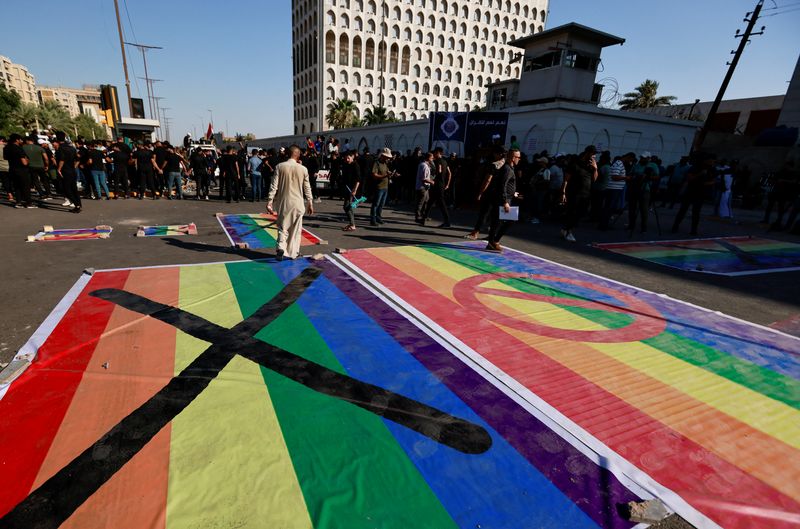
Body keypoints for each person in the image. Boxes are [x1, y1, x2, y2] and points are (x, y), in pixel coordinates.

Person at [266, 145, 314, 260]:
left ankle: (281, 247)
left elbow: (274, 186)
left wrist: (270, 201)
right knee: (296, 230)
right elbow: (307, 187)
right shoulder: (303, 169)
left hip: (283, 202)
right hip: (298, 203)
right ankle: (293, 253)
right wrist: (310, 202)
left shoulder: (279, 167)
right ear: (298, 155)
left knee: (283, 227)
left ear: (288, 154)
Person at [465, 145, 506, 239]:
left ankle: (475, 232)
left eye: (495, 153)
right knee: (495, 215)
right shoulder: (506, 165)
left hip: (491, 192)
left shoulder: (494, 165)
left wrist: (480, 192)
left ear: (499, 154)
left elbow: (487, 180)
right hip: (501, 193)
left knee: (484, 213)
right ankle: (492, 234)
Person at [671, 152, 717, 236]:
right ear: (707, 160)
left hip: (700, 193)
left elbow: (713, 181)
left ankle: (693, 230)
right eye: (711, 160)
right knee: (683, 210)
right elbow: (689, 178)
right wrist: (700, 174)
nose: (712, 162)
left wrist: (704, 184)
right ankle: (675, 226)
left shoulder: (712, 169)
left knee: (696, 212)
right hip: (691, 191)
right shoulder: (696, 167)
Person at [560, 145, 598, 242]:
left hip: (586, 194)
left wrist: (595, 168)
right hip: (574, 193)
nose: (594, 157)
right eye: (593, 154)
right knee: (572, 212)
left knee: (581, 213)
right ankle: (568, 231)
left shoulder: (591, 166)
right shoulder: (575, 163)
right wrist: (563, 192)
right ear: (588, 153)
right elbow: (566, 179)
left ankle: (565, 229)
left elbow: (594, 179)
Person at [486, 148, 521, 252]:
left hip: (505, 198)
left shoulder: (509, 168)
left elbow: (506, 185)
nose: (519, 159)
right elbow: (502, 185)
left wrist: (513, 193)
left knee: (497, 221)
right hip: (502, 200)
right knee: (506, 221)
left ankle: (492, 242)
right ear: (513, 158)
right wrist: (505, 201)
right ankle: (494, 241)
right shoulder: (507, 169)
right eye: (518, 157)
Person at [626, 152, 660, 235]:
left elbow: (657, 177)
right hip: (635, 188)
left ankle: (643, 227)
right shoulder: (637, 165)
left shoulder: (652, 165)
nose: (642, 159)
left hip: (645, 189)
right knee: (632, 208)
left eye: (644, 158)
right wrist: (635, 177)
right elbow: (630, 174)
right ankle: (631, 225)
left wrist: (648, 177)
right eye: (641, 157)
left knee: (643, 209)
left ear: (649, 158)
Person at [422, 147, 452, 227]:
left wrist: (434, 177)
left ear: (439, 153)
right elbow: (449, 173)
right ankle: (423, 218)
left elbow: (439, 171)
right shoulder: (445, 161)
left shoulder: (437, 161)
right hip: (441, 185)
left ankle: (447, 221)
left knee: (440, 204)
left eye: (435, 152)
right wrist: (447, 184)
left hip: (437, 184)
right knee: (430, 202)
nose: (434, 154)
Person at [53, 132, 81, 212]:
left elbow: (62, 159)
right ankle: (78, 204)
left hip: (64, 171)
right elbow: (78, 159)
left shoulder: (60, 148)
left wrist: (59, 169)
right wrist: (74, 167)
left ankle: (77, 205)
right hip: (72, 170)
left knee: (66, 189)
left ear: (57, 139)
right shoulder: (72, 148)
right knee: (74, 188)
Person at [4, 134, 34, 208]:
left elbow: (5, 158)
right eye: (20, 139)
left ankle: (18, 202)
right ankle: (29, 203)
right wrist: (27, 161)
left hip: (12, 169)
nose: (21, 141)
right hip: (21, 169)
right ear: (17, 140)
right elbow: (24, 162)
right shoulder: (19, 148)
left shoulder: (6, 148)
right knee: (25, 186)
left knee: (17, 186)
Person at [370, 147, 394, 226]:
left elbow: (387, 172)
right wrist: (385, 175)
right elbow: (374, 175)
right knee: (376, 204)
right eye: (387, 157)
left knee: (381, 204)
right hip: (379, 187)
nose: (388, 159)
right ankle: (373, 219)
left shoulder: (385, 164)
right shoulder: (376, 163)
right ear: (383, 156)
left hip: (385, 187)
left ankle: (378, 217)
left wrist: (392, 174)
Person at [341, 150, 362, 231]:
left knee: (347, 207)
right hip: (347, 188)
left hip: (352, 189)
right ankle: (352, 224)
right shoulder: (346, 164)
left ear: (352, 157)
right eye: (346, 158)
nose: (347, 160)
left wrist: (354, 190)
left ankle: (352, 225)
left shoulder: (355, 165)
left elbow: (358, 179)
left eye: (348, 158)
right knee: (348, 207)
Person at [415, 152, 435, 223]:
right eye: (432, 158)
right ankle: (418, 217)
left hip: (425, 187)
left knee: (426, 201)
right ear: (428, 158)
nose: (433, 159)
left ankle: (423, 216)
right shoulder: (424, 166)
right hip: (422, 187)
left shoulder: (424, 165)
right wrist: (432, 182)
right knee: (421, 202)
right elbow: (423, 178)